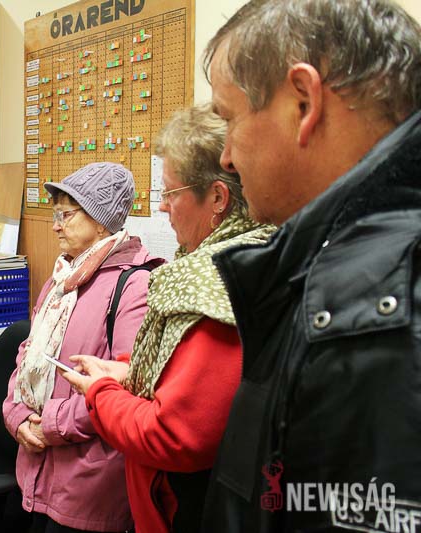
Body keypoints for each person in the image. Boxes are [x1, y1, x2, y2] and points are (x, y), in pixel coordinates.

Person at [199, 0, 421, 530]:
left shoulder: (375, 319)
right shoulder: (344, 269)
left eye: (229, 119)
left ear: (304, 102)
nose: (226, 157)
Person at [62, 106, 274, 533]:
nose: (161, 206)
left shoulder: (212, 284)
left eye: (171, 193)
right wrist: (130, 374)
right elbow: (200, 387)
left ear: (218, 198)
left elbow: (176, 436)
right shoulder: (250, 256)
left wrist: (101, 392)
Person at [3, 162, 163, 533]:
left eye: (66, 215)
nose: (56, 225)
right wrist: (16, 415)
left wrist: (50, 424)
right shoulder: (63, 277)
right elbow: (27, 354)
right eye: (55, 215)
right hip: (35, 469)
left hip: (87, 484)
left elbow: (129, 387)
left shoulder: (134, 285)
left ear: (101, 222)